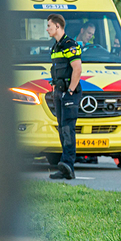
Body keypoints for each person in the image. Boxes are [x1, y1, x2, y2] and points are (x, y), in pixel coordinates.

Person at [46, 13, 83, 180]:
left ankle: (68, 164)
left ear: (58, 26)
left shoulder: (70, 44)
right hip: (59, 92)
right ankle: (65, 167)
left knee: (68, 129)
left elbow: (77, 69)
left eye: (49, 26)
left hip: (69, 93)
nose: (47, 29)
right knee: (62, 129)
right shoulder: (55, 47)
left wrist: (70, 92)